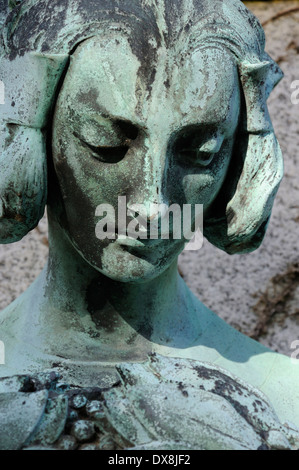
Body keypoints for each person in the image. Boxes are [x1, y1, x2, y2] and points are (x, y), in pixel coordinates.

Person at [0, 0, 298, 433]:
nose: (152, 204)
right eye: (106, 145)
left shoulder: (286, 404)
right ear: (38, 132)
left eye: (200, 154)